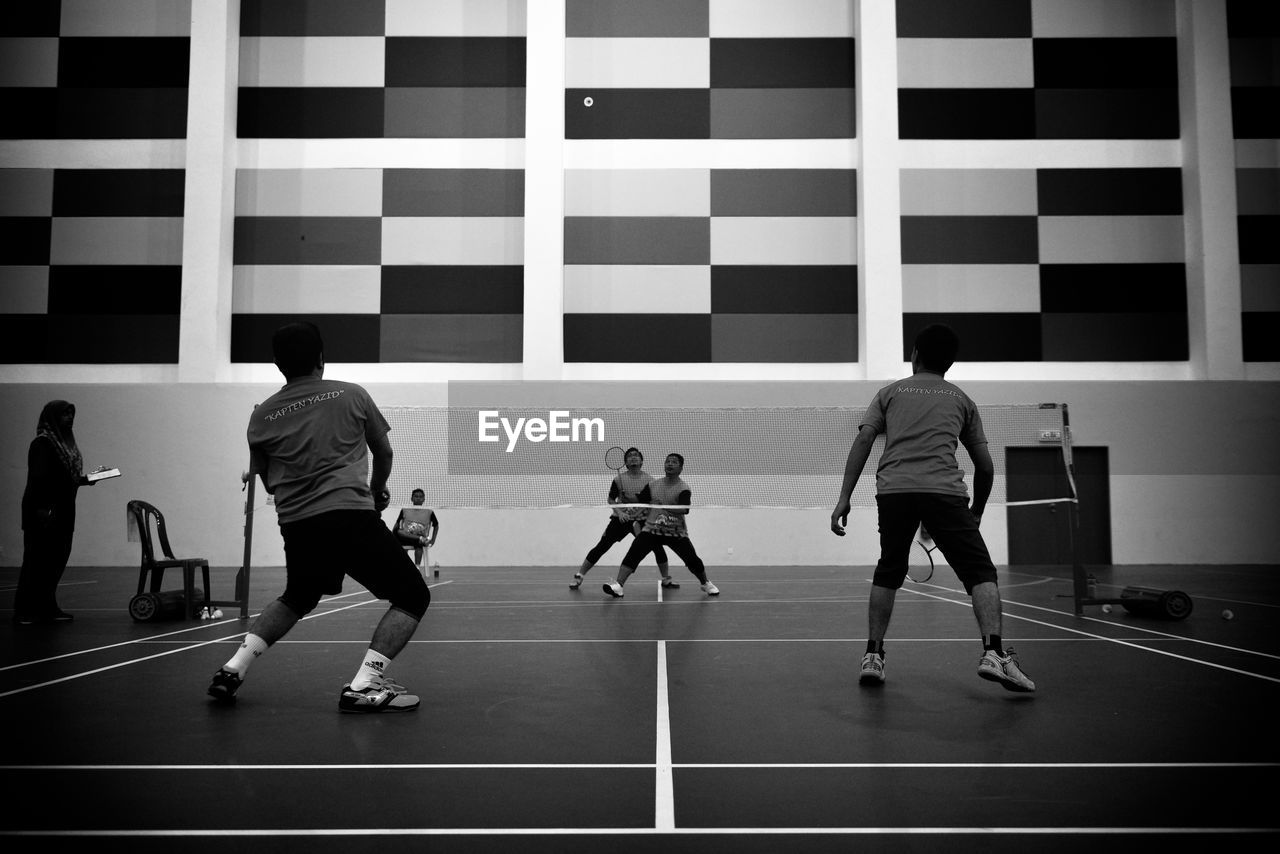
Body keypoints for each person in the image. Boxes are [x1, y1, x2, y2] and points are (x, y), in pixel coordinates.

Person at [208, 321, 430, 713]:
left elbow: (269, 481)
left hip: (297, 524)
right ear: (322, 358)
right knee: (412, 595)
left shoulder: (260, 417)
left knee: (298, 596)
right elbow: (385, 454)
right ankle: (365, 684)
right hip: (348, 514)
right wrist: (378, 491)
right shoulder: (352, 395)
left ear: (278, 364)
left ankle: (232, 668)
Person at [830, 323, 1034, 692]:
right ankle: (994, 653)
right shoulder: (962, 399)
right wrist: (979, 510)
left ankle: (873, 656)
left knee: (889, 569)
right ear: (950, 363)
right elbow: (985, 466)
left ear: (915, 355)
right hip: (944, 492)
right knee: (980, 573)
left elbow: (864, 438)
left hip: (893, 491)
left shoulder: (889, 393)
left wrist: (844, 497)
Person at [14, 401, 99, 624]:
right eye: (64, 414)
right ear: (52, 417)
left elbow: (65, 479)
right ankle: (24, 610)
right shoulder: (43, 444)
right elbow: (40, 480)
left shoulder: (66, 447)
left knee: (55, 561)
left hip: (62, 510)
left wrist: (86, 480)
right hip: (43, 512)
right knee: (35, 562)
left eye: (71, 414)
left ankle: (47, 607)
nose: (69, 418)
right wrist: (43, 510)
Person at [603, 453, 719, 599]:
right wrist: (627, 497)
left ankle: (705, 583)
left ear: (681, 468)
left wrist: (663, 506)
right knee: (634, 553)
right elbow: (638, 499)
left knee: (692, 559)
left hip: (675, 531)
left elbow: (685, 509)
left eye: (674, 462)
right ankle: (618, 586)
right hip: (652, 530)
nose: (670, 464)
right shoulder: (653, 485)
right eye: (668, 461)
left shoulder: (683, 488)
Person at [571, 447, 676, 590]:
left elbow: (652, 501)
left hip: (641, 520)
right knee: (602, 546)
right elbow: (610, 499)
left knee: (656, 547)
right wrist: (620, 513)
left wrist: (638, 511)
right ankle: (579, 575)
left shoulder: (650, 480)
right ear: (626, 462)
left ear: (641, 460)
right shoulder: (618, 479)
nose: (633, 458)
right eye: (630, 456)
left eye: (636, 456)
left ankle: (666, 579)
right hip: (621, 519)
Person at [393, 488, 439, 572]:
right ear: (412, 498)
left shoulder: (429, 511)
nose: (418, 498)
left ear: (424, 499)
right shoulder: (405, 510)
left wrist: (433, 540)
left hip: (420, 539)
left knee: (419, 545)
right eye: (416, 496)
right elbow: (397, 523)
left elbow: (436, 525)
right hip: (406, 537)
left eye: (420, 497)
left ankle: (416, 568)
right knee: (399, 531)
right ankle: (403, 566)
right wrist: (393, 534)